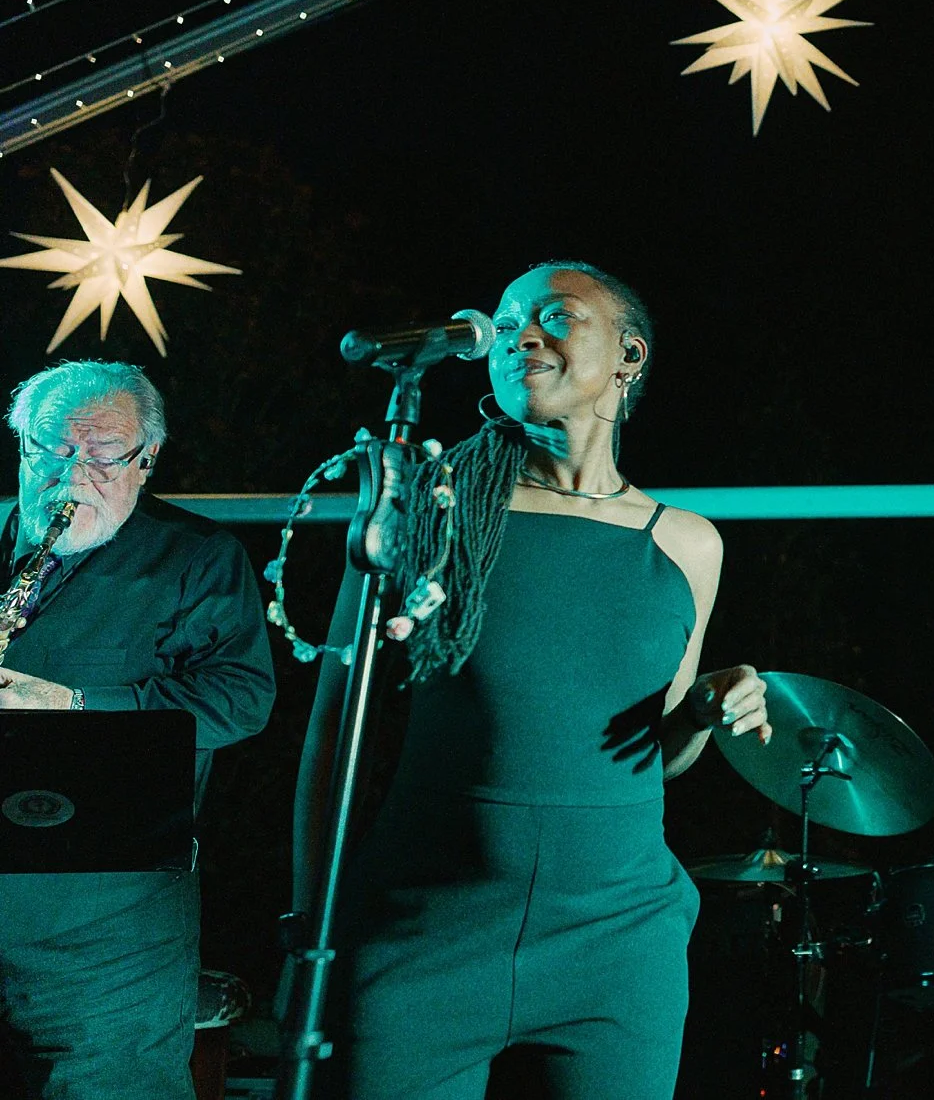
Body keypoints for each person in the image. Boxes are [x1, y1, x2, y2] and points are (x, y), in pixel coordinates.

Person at [293, 261, 771, 1100]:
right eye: (508, 322)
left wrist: (698, 713)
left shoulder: (688, 543)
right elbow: (338, 730)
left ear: (629, 354)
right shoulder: (429, 511)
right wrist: (309, 920)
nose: (522, 335)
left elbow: (651, 758)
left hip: (616, 942)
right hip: (423, 932)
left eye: (555, 316)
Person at [0, 360, 276, 1099]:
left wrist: (75, 705)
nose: (74, 473)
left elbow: (242, 697)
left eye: (103, 455)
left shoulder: (198, 560)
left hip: (104, 934)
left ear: (146, 460)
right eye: (52, 450)